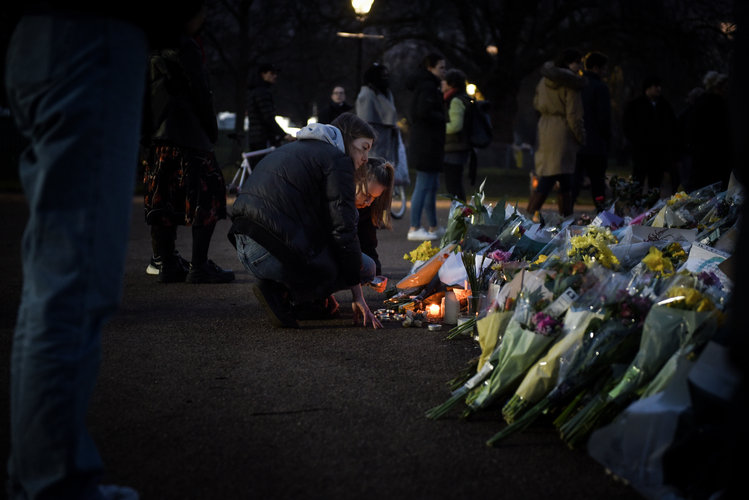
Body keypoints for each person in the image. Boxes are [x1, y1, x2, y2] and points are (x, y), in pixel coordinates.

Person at [4, 1, 206, 498]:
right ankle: (55, 483)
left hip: (48, 38)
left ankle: (39, 472)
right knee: (75, 281)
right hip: (94, 38)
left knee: (56, 276)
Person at [228, 112, 383, 329]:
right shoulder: (338, 160)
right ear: (348, 139)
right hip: (270, 251)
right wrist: (358, 295)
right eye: (364, 147)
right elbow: (343, 231)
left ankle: (303, 299)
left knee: (325, 245)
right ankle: (283, 293)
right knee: (366, 267)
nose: (366, 158)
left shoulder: (298, 149)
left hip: (245, 246)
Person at [141, 30, 235, 284]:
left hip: (159, 137)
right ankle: (199, 265)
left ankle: (168, 262)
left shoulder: (146, 47)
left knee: (162, 197)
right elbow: (200, 91)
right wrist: (211, 130)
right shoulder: (188, 46)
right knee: (208, 197)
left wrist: (144, 141)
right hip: (191, 135)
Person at [528, 48, 586, 222]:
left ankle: (535, 213)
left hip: (545, 128)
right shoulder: (571, 85)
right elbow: (573, 115)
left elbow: (536, 103)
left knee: (552, 173)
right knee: (558, 176)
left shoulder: (543, 81)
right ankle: (562, 218)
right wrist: (581, 137)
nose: (580, 66)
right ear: (569, 63)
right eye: (577, 62)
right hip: (563, 131)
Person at [406, 52, 447, 241]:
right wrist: (442, 118)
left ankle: (433, 226)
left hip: (428, 142)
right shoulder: (428, 87)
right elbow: (423, 112)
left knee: (430, 185)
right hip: (427, 143)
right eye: (441, 67)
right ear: (430, 67)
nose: (444, 71)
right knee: (424, 185)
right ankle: (414, 226)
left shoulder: (428, 86)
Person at [622, 75, 679, 195]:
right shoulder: (636, 105)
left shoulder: (664, 105)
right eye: (655, 86)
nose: (658, 89)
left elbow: (671, 126)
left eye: (659, 86)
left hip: (658, 152)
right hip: (641, 150)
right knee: (638, 181)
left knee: (655, 184)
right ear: (648, 88)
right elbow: (628, 125)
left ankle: (651, 207)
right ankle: (636, 205)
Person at [573, 51, 611, 213]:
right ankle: (601, 212)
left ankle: (566, 212)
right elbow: (604, 117)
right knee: (597, 183)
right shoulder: (600, 88)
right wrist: (607, 137)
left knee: (574, 180)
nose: (605, 72)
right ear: (597, 68)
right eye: (603, 69)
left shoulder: (576, 85)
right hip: (595, 143)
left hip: (576, 141)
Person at [684, 70, 733, 191]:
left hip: (702, 156)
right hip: (716, 156)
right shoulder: (720, 105)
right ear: (718, 87)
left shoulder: (700, 103)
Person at [246, 63, 294, 167]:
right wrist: (284, 134)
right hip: (263, 138)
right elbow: (268, 117)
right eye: (272, 73)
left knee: (256, 169)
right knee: (264, 170)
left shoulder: (254, 92)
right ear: (263, 74)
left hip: (255, 137)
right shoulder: (263, 93)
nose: (275, 76)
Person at [357, 157, 395, 277]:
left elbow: (368, 242)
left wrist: (376, 272)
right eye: (367, 195)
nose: (368, 202)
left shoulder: (366, 209)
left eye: (374, 198)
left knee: (370, 268)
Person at [442, 68, 472, 203]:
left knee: (453, 186)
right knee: (456, 185)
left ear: (451, 84)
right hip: (459, 147)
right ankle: (461, 216)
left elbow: (455, 125)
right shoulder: (463, 98)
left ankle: (460, 217)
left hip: (455, 147)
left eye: (444, 81)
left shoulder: (455, 101)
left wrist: (440, 128)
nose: (441, 84)